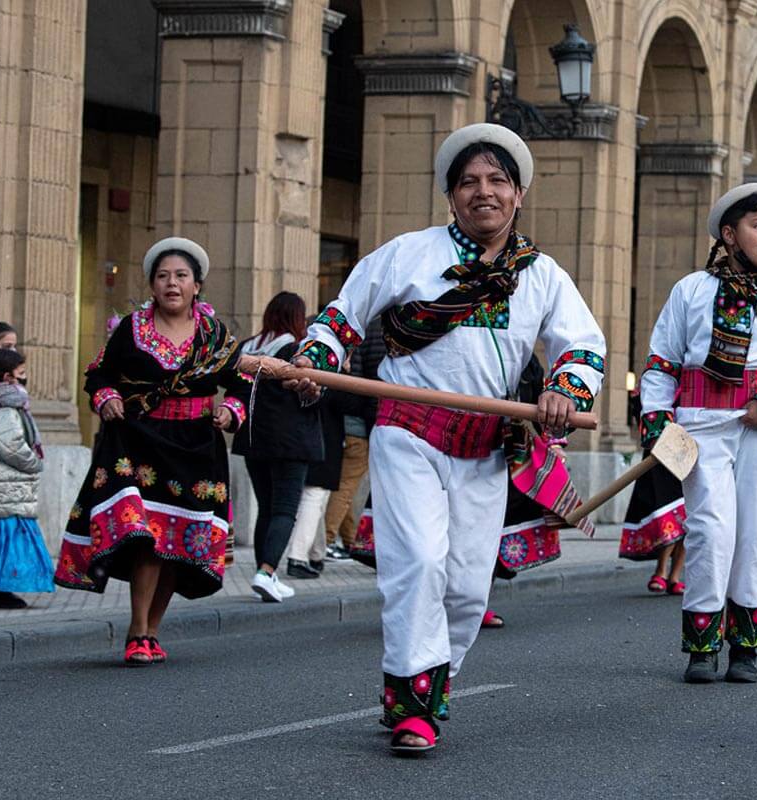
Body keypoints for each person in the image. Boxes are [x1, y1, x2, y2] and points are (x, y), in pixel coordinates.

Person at [291, 123, 605, 754]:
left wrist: (564, 391)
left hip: (486, 447)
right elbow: (343, 313)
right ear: (451, 195)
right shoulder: (409, 253)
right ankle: (411, 701)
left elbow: (582, 344)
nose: (481, 192)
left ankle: (432, 681)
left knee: (465, 586)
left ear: (518, 195)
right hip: (409, 431)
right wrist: (313, 361)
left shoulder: (542, 275)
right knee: (420, 564)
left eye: (496, 181)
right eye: (468, 182)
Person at [640, 183, 757, 684]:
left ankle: (745, 647)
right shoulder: (690, 291)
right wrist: (657, 419)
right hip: (701, 429)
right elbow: (661, 363)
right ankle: (702, 645)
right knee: (711, 531)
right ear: (728, 233)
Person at [54, 237, 250, 665]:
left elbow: (240, 382)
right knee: (148, 539)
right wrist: (105, 396)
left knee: (178, 543)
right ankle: (137, 630)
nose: (172, 284)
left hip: (197, 447)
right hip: (139, 443)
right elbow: (99, 374)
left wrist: (232, 411)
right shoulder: (132, 329)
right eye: (163, 277)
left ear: (197, 285)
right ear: (152, 285)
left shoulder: (215, 335)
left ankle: (152, 631)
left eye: (181, 276)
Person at [232, 291, 322, 601]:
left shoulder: (248, 347)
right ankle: (267, 571)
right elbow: (310, 394)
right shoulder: (295, 349)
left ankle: (265, 574)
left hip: (254, 438)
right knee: (284, 509)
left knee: (266, 509)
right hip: (290, 440)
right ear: (297, 317)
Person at [0, 349, 51, 609]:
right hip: (4, 484)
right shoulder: (5, 408)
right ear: (7, 378)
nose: (26, 379)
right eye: (22, 373)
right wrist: (34, 463)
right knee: (4, 538)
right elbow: (11, 445)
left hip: (0, 485)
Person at [284, 375, 361, 580]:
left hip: (299, 433)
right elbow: (347, 402)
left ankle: (316, 553)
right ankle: (298, 556)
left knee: (317, 494)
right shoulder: (329, 364)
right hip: (324, 436)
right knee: (315, 494)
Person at [323, 316, 386, 561]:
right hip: (368, 422)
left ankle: (349, 541)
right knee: (347, 486)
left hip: (356, 419)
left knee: (349, 484)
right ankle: (326, 541)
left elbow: (356, 376)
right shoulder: (396, 330)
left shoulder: (366, 330)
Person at [618, 390, 687, 594]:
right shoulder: (660, 379)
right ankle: (661, 570)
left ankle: (675, 575)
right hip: (660, 456)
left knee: (688, 517)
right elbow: (641, 408)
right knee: (665, 512)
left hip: (689, 454)